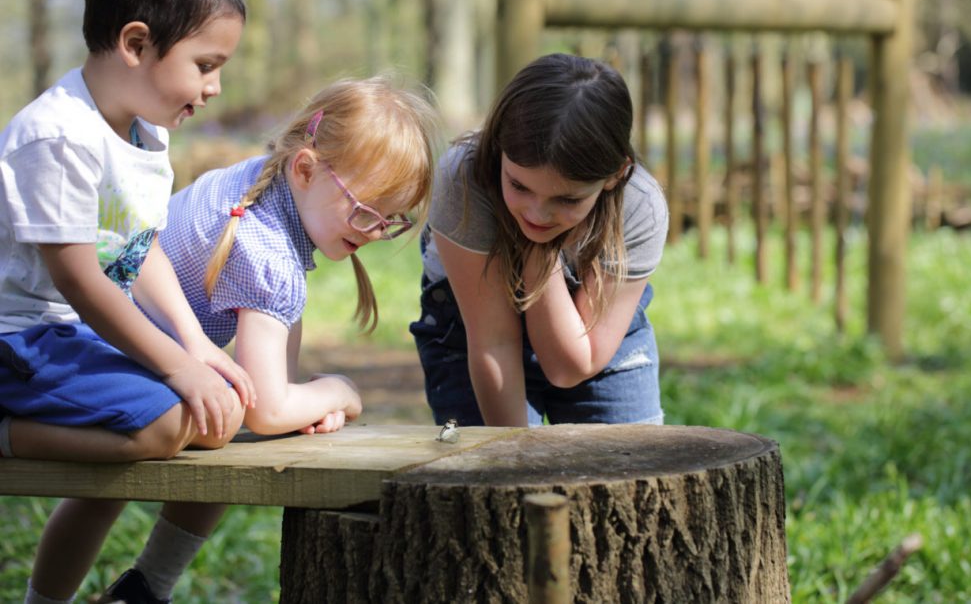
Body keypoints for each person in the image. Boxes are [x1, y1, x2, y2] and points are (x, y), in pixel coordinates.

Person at [0, 0, 253, 603]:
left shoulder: (145, 130)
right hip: (19, 339)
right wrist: (174, 366)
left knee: (223, 410)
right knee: (167, 422)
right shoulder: (56, 136)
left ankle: (138, 590)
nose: (215, 85)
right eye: (205, 63)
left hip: (68, 337)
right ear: (136, 44)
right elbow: (80, 280)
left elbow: (140, 251)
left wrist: (194, 345)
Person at [161, 76, 438, 436]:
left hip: (127, 347)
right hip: (108, 354)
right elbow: (267, 412)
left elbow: (279, 396)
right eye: (366, 211)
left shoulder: (259, 183)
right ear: (305, 169)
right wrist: (340, 392)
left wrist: (303, 405)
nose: (374, 232)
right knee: (218, 420)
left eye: (391, 220)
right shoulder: (268, 253)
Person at [410, 53, 669, 427]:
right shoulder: (462, 182)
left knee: (629, 472)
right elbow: (493, 342)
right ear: (499, 148)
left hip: (593, 342)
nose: (537, 214)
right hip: (471, 335)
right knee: (490, 477)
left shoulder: (640, 206)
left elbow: (570, 367)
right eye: (518, 185)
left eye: (567, 199)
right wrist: (514, 462)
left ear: (616, 174)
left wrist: (538, 254)